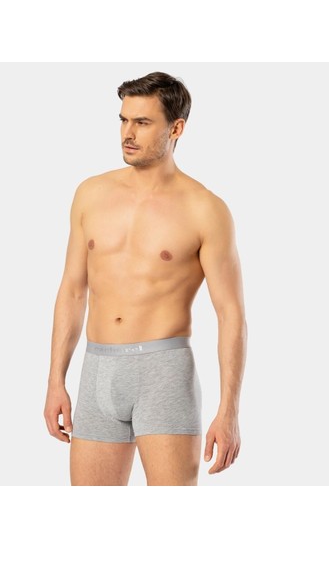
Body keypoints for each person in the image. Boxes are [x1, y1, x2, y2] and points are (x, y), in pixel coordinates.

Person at [43, 71, 247, 486]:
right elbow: (73, 290)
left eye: (142, 122)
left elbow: (231, 315)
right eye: (123, 120)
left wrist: (229, 412)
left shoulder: (205, 209)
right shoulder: (90, 194)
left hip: (163, 372)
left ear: (176, 129)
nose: (128, 133)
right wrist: (55, 380)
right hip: (97, 370)